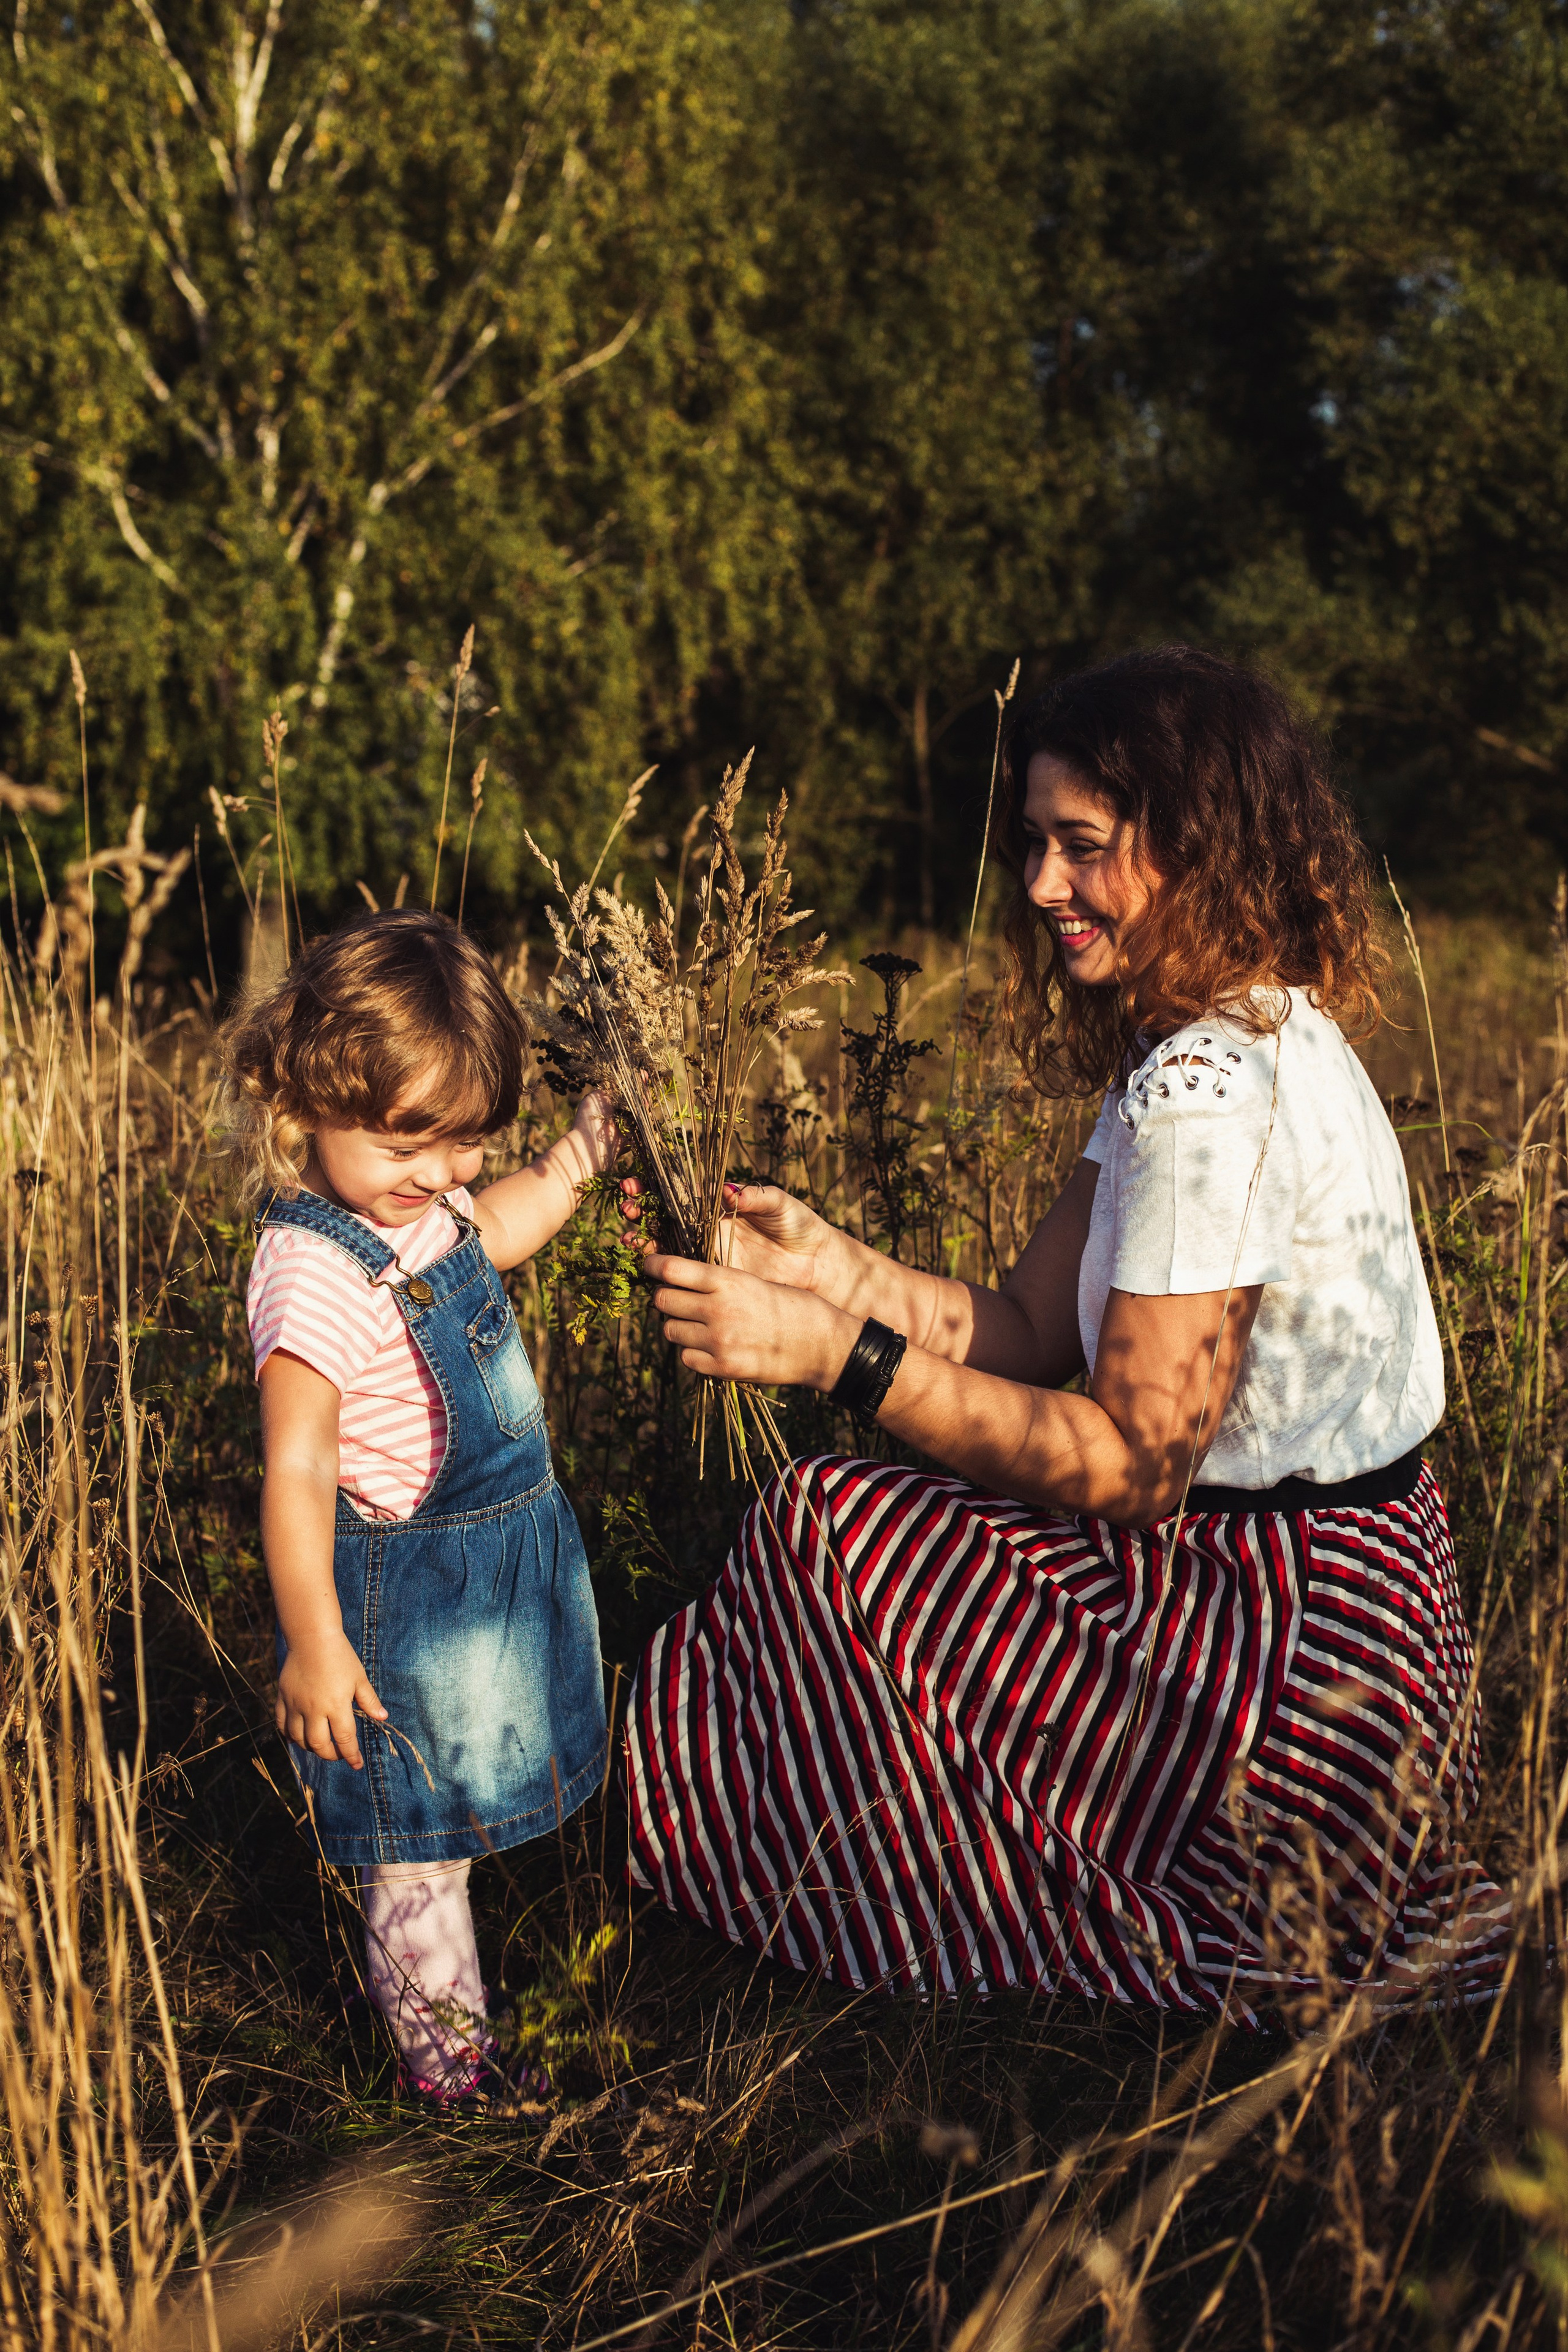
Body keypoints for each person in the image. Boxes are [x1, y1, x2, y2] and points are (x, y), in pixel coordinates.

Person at [624, 645, 1506, 2014]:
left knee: (830, 1531)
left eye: (1080, 847)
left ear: (1194, 849)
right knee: (859, 1504)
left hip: (1280, 1642)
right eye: (1033, 844)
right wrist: (827, 1271)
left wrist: (834, 1362)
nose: (1039, 887)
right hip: (1348, 1590)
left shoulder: (1208, 1091)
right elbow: (1033, 1329)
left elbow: (1131, 1472)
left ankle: (838, 1899)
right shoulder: (1239, 1035)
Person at [222, 910, 616, 2104]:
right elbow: (293, 1471)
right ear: (305, 1106)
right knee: (417, 1853)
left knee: (443, 1834)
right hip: (403, 1610)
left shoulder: (420, 1209)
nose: (441, 1175)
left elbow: (492, 1231)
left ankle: (421, 2000)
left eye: (462, 1144)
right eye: (409, 1145)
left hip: (479, 1586)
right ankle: (449, 2074)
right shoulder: (316, 1274)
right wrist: (314, 1640)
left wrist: (582, 1155)